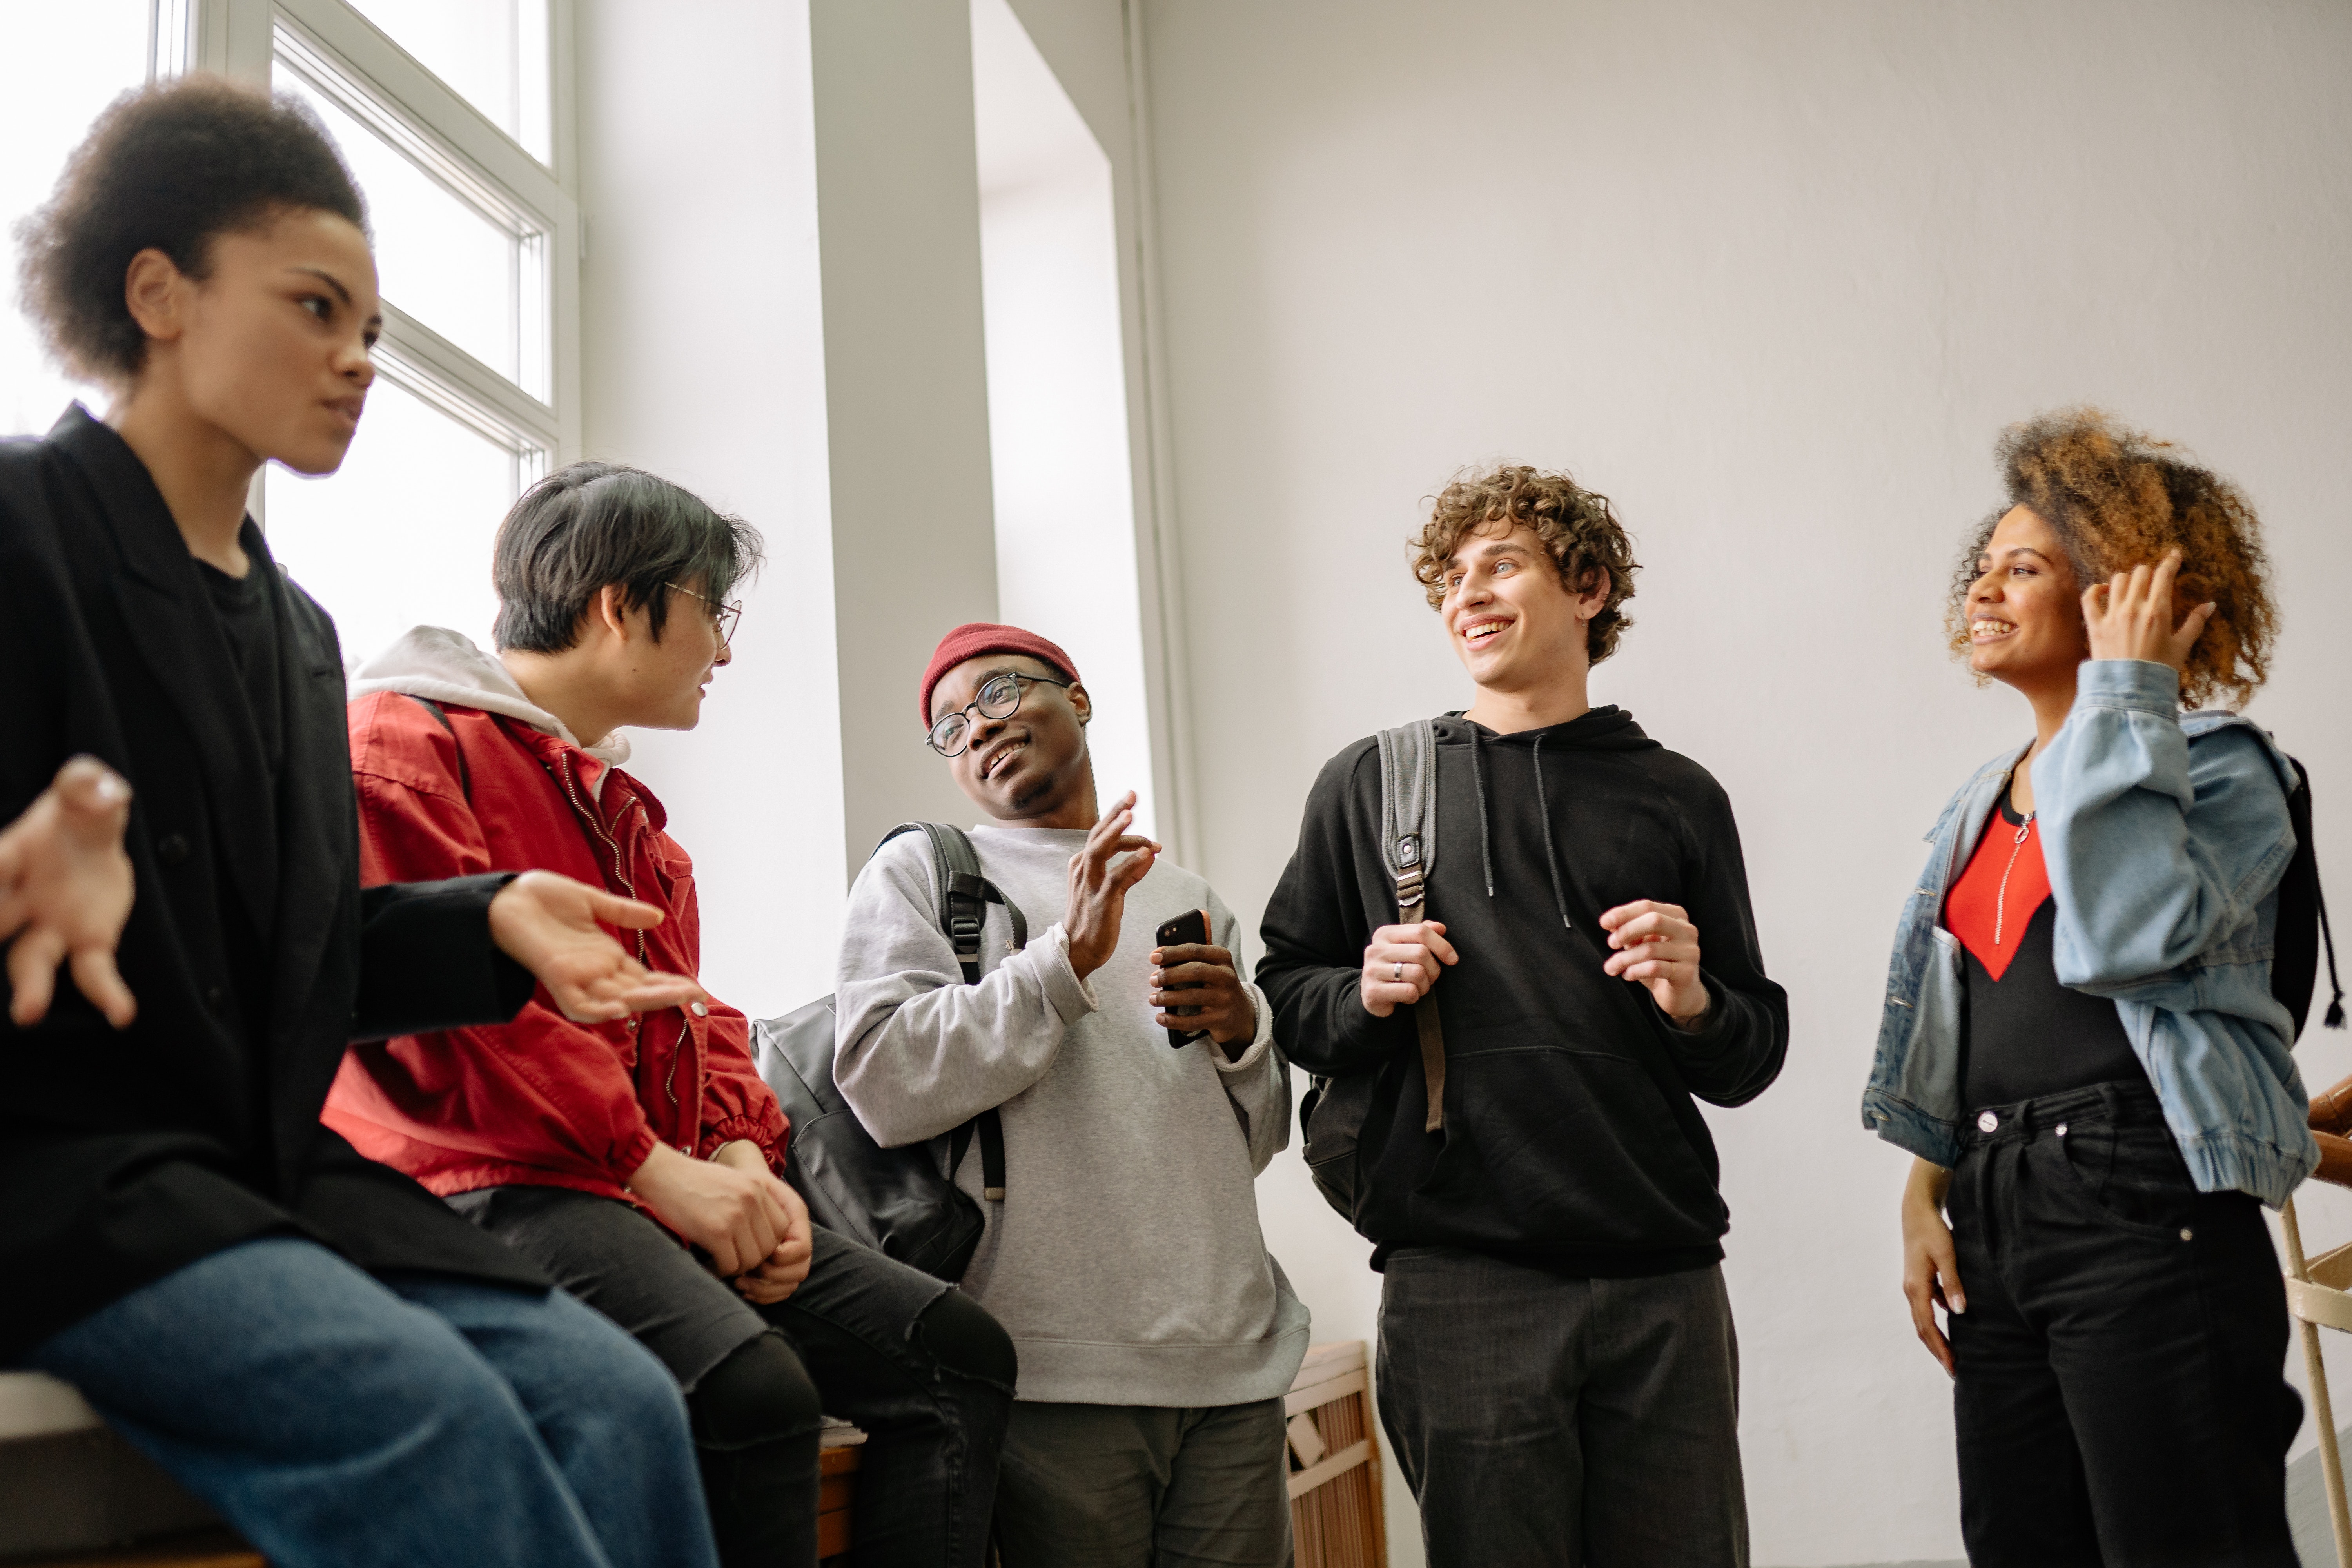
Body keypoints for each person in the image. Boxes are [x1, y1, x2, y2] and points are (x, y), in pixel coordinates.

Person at [0, 77, 722, 1568]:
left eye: (373, 332)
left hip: (260, 1179)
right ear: (159, 293)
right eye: (317, 309)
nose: (356, 362)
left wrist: (489, 918)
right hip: (57, 1174)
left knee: (623, 1405)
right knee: (439, 1421)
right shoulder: (21, 531)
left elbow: (301, 959)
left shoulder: (300, 634)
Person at [322, 465, 1016, 1568]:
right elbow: (462, 1030)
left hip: (634, 1183)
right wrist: (660, 1169)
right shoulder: (403, 746)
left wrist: (743, 1156)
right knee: (751, 1393)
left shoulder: (635, 823)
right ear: (616, 604)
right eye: (714, 611)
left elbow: (694, 1022)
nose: (726, 653)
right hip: (483, 1182)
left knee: (959, 1351)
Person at [1259, 464, 1788, 1566]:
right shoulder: (1370, 785)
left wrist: (1696, 999)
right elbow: (1287, 1001)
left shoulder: (1678, 796)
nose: (1468, 596)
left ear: (1588, 586)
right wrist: (1362, 989)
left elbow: (1751, 1049)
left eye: (1501, 565)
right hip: (1462, 1282)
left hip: (1664, 1277)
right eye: (1451, 579)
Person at [1864, 410, 2307, 1564]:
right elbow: (1972, 1025)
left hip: (2143, 1201)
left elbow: (2126, 941)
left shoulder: (2226, 772)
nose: (1982, 592)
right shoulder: (1981, 798)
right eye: (1983, 567)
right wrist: (1926, 1192)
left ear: (2121, 592)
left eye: (2024, 567)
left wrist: (2127, 696)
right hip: (1996, 1207)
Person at [833, 622, 1309, 1568]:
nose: (977, 726)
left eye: (1000, 693)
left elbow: (1251, 1143)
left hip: (1233, 1363)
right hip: (1052, 1373)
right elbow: (883, 1082)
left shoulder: (1191, 893)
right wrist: (1064, 962)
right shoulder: (924, 873)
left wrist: (1245, 1037)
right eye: (952, 725)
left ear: (1079, 698)